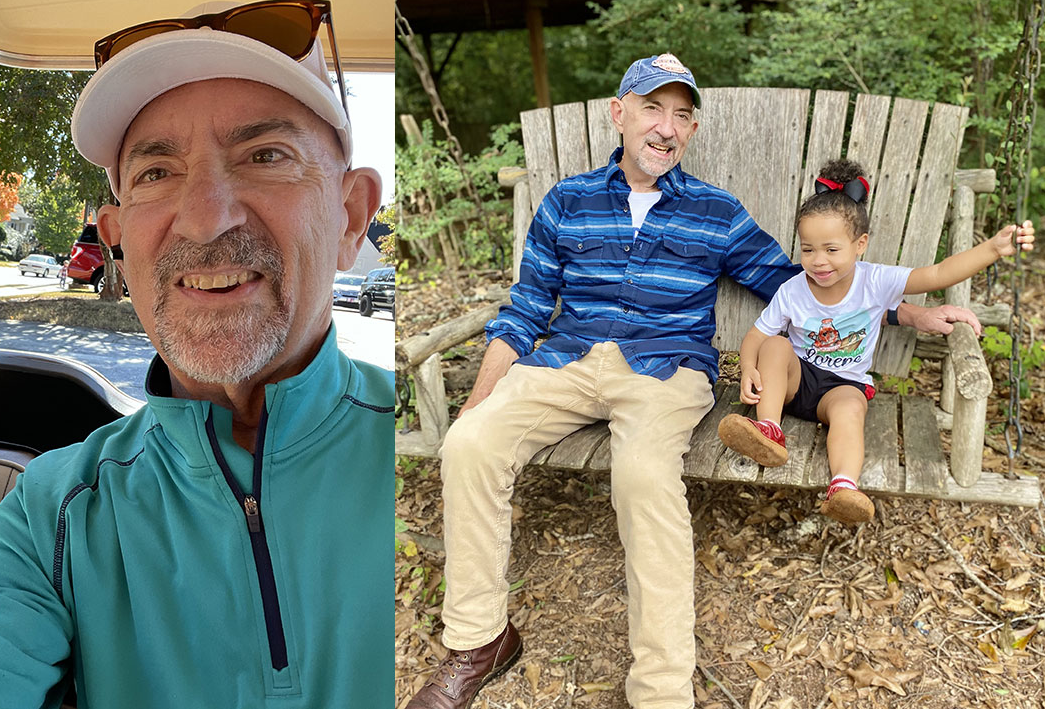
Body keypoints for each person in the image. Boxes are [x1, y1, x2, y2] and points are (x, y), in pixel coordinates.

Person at [405, 54, 982, 709]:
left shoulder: (715, 211)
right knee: (470, 443)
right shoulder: (566, 201)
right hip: (566, 362)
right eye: (653, 107)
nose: (666, 126)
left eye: (682, 115)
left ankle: (661, 692)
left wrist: (907, 309)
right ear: (618, 113)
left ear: (693, 130)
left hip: (667, 370)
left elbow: (797, 281)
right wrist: (480, 403)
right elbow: (527, 307)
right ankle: (480, 640)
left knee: (644, 475)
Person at [0, 0, 391, 709]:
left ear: (351, 215)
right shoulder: (51, 514)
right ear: (117, 236)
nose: (208, 215)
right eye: (156, 172)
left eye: (264, 155)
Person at [718, 159, 1034, 524]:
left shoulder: (877, 281)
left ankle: (843, 487)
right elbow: (756, 335)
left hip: (843, 385)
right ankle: (769, 431)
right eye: (808, 249)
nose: (818, 261)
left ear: (860, 244)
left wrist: (994, 249)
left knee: (850, 410)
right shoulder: (792, 290)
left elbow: (939, 273)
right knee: (774, 345)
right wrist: (747, 371)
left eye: (832, 250)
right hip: (796, 381)